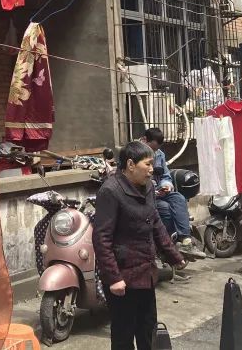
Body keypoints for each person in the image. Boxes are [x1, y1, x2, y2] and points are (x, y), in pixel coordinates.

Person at [92, 141, 186, 350]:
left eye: (152, 164)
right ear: (131, 164)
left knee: (148, 331)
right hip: (122, 277)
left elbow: (156, 223)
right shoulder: (110, 191)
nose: (152, 169)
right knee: (123, 336)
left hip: (146, 273)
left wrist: (174, 255)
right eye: (148, 164)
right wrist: (114, 278)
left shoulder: (148, 187)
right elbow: (101, 238)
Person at [142, 127, 205, 258]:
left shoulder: (159, 154)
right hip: (144, 195)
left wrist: (166, 186)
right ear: (144, 140)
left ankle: (185, 241)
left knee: (179, 198)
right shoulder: (134, 153)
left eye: (156, 149)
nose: (154, 152)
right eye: (152, 148)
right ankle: (167, 244)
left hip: (159, 192)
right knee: (165, 208)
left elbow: (165, 175)